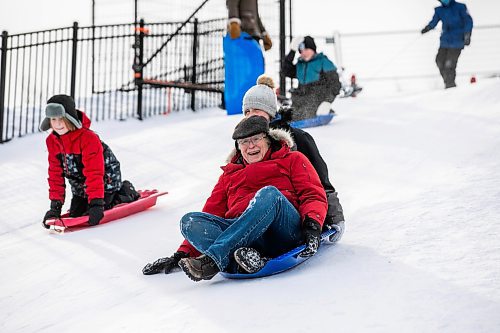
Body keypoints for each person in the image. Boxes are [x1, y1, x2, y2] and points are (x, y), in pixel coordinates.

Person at [143, 116, 327, 281]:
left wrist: (312, 225)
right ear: (238, 147)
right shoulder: (229, 175)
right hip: (246, 238)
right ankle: (246, 258)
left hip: (283, 231)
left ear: (269, 140)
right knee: (190, 221)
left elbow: (312, 194)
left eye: (256, 139)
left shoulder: (292, 159)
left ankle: (214, 261)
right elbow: (211, 211)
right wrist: (182, 254)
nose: (251, 146)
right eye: (244, 142)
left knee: (268, 194)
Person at [241, 75, 344, 240]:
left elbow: (319, 183)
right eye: (247, 111)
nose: (251, 115)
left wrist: (334, 217)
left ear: (270, 112)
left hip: (292, 215)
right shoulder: (244, 145)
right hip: (254, 218)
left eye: (256, 110)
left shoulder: (298, 139)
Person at [40, 94, 140, 228]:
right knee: (76, 212)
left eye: (61, 119)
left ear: (70, 119)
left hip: (106, 180)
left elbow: (94, 172)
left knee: (103, 206)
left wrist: (97, 203)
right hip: (80, 187)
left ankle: (125, 191)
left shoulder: (88, 139)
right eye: (53, 119)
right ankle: (90, 200)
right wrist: (55, 207)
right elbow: (55, 175)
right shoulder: (52, 141)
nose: (57, 124)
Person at [282, 35, 341, 121]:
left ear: (313, 49)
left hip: (317, 104)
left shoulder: (323, 62)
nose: (303, 53)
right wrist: (292, 51)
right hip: (300, 104)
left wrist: (327, 102)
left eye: (306, 50)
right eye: (301, 51)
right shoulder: (300, 64)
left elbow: (335, 85)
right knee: (286, 116)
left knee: (299, 116)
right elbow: (285, 71)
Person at [421, 0, 473, 89]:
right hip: (445, 41)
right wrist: (428, 28)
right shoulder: (439, 10)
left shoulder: (460, 7)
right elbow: (434, 21)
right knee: (439, 61)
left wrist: (467, 35)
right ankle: (448, 82)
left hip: (457, 41)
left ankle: (450, 85)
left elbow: (468, 21)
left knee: (449, 64)